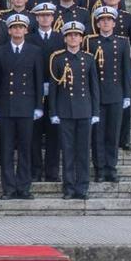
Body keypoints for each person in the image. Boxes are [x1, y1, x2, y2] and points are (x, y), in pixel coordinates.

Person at [0, 14, 43, 200]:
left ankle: (23, 187)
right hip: (5, 106)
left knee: (25, 148)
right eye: (14, 27)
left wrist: (38, 105)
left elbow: (38, 80)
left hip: (27, 106)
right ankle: (8, 188)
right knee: (6, 150)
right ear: (9, 30)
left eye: (20, 27)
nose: (17, 30)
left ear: (26, 30)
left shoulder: (35, 51)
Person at [48, 21, 100, 200]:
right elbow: (53, 89)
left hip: (84, 111)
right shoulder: (58, 58)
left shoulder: (89, 58)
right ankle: (69, 187)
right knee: (68, 151)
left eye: (76, 35)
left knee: (83, 151)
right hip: (65, 111)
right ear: (64, 38)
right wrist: (53, 112)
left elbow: (94, 88)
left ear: (81, 38)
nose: (73, 38)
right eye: (70, 35)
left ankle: (82, 187)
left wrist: (95, 113)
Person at [85, 6, 131, 183]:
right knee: (97, 134)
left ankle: (111, 168)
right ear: (97, 23)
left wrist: (127, 95)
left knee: (113, 133)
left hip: (115, 94)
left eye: (109, 20)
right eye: (102, 20)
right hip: (96, 96)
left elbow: (125, 71)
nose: (105, 22)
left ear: (114, 23)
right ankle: (99, 169)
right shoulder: (90, 42)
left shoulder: (122, 42)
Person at [97, 0, 131, 151]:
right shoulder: (99, 16)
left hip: (124, 65)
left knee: (126, 103)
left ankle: (124, 138)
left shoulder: (127, 16)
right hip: (103, 64)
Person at [26, 2, 65, 182]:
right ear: (37, 18)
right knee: (34, 133)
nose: (45, 18)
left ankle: (52, 171)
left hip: (57, 91)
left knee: (54, 133)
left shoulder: (60, 38)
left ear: (53, 18)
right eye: (41, 15)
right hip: (34, 92)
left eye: (48, 15)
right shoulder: (29, 38)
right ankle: (35, 170)